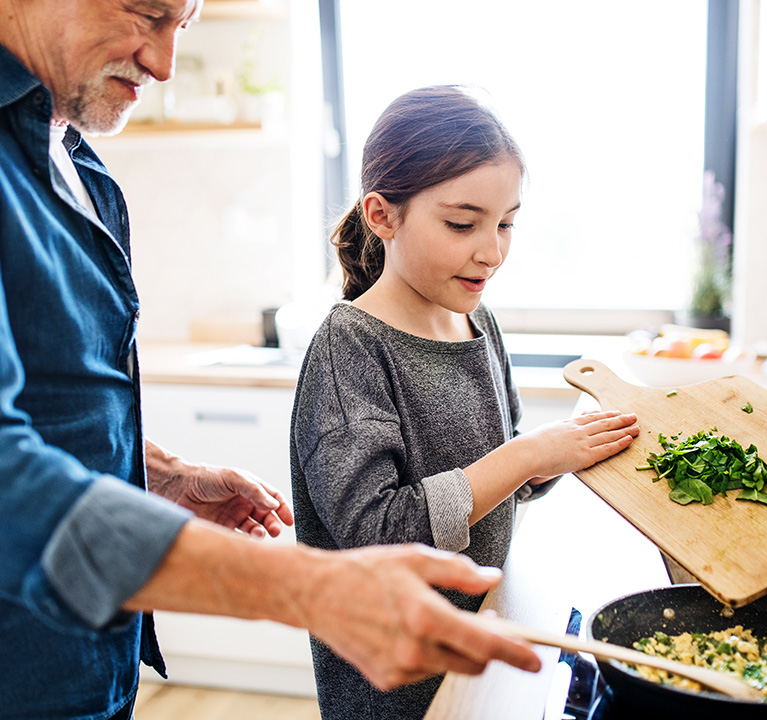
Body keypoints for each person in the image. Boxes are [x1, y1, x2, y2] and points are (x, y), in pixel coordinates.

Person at [0, 2, 542, 718]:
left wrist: (152, 474)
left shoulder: (71, 161)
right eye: (147, 12)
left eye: (182, 28)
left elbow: (47, 407)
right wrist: (306, 586)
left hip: (90, 659)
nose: (164, 65)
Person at [291, 85, 641, 720]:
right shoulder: (351, 346)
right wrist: (528, 453)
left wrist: (561, 452)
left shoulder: (479, 325)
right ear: (381, 216)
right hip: (392, 681)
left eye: (506, 223)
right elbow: (379, 532)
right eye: (462, 223)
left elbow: (503, 477)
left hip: (476, 640)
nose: (493, 251)